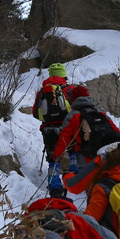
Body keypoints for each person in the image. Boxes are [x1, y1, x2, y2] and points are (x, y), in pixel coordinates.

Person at [31, 65, 83, 194]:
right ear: (63, 75)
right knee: (72, 153)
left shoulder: (42, 92)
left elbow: (35, 114)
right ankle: (73, 182)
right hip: (68, 127)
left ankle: (54, 188)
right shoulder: (70, 89)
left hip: (49, 130)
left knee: (53, 159)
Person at [53, 93, 120, 172]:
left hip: (84, 155)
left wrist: (57, 155)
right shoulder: (102, 114)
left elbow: (64, 138)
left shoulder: (73, 116)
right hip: (105, 153)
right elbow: (117, 132)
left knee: (85, 177)